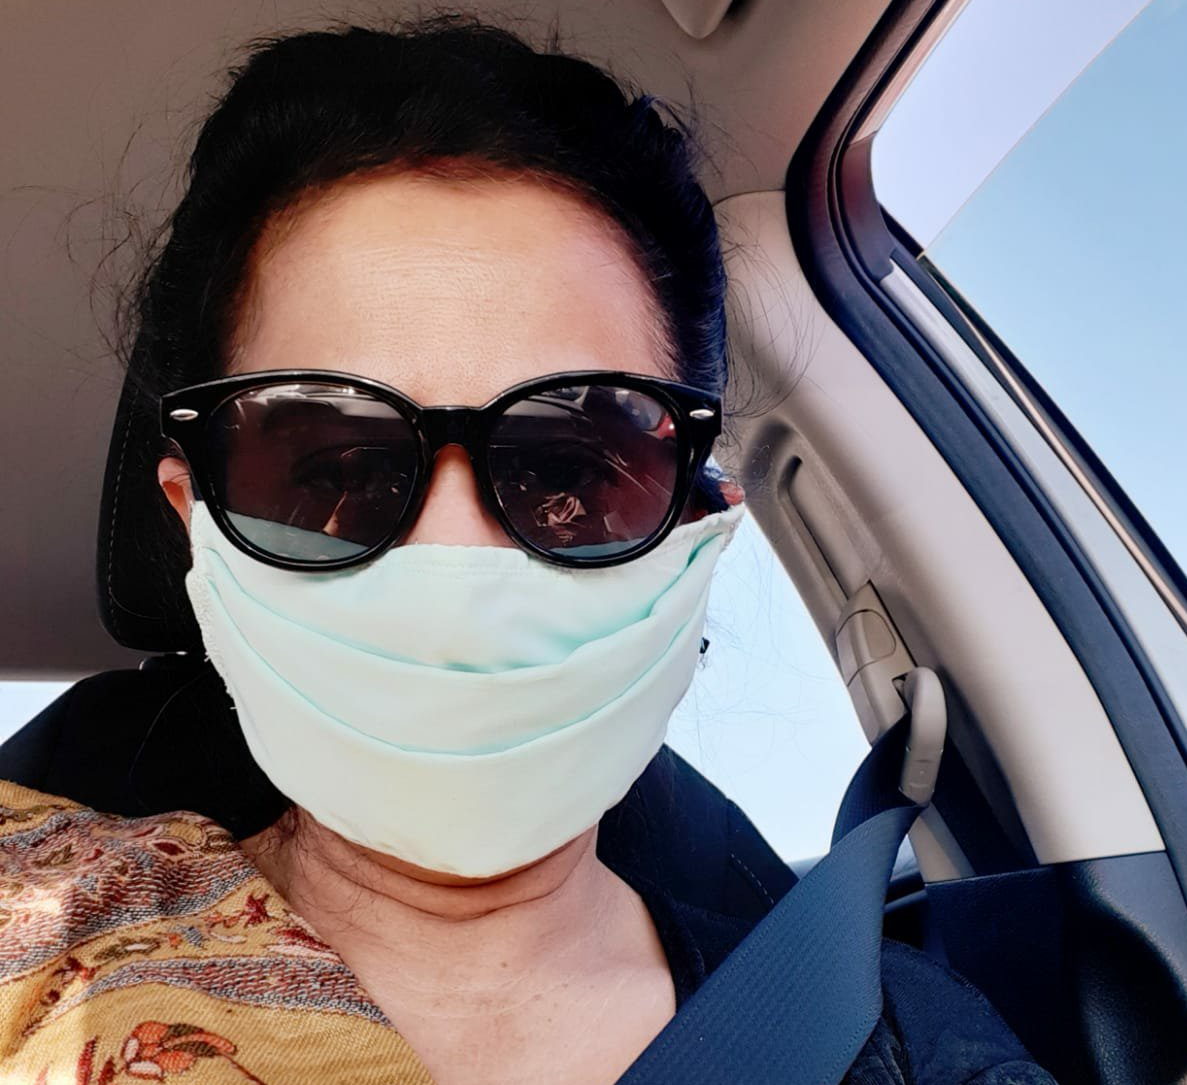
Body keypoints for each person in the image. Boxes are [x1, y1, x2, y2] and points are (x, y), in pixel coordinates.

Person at [0, 17, 1058, 1085]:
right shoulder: (31, 939)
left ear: (694, 528)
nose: (455, 557)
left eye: (571, 467)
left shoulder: (915, 1049)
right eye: (329, 468)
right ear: (196, 521)